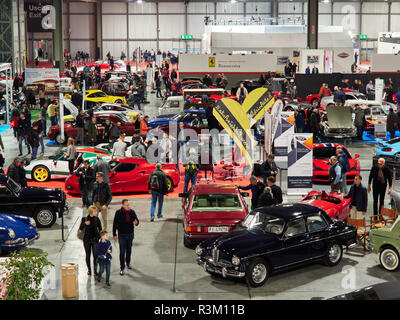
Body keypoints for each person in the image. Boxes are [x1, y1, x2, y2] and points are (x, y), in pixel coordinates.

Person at [112, 199, 139, 275]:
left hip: (130, 235)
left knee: (129, 250)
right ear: (122, 205)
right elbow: (115, 224)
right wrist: (114, 234)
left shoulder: (132, 212)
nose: (128, 206)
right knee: (122, 252)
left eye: (128, 205)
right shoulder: (118, 213)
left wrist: (136, 222)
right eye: (126, 205)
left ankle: (128, 263)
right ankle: (122, 268)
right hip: (122, 235)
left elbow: (137, 221)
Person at [79, 205, 102, 276]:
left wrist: (100, 236)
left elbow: (100, 228)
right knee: (88, 255)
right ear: (91, 212)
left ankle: (95, 270)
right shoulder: (85, 219)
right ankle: (89, 270)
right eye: (95, 211)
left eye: (96, 211)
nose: (96, 212)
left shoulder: (97, 219)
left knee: (95, 255)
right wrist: (84, 224)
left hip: (95, 239)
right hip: (87, 240)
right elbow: (80, 228)